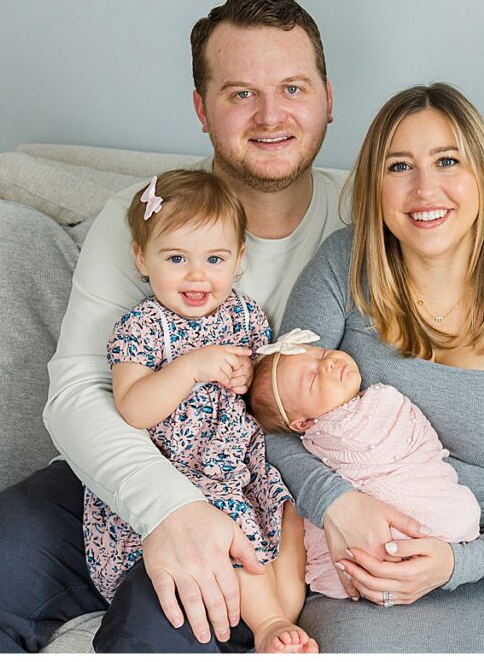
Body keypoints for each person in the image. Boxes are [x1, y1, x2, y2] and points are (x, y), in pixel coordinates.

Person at [0, 0, 484, 652]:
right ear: (202, 109)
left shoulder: (367, 223)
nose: (270, 115)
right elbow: (78, 392)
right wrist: (170, 509)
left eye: (292, 88)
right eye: (240, 93)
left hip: (254, 493)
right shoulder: (143, 219)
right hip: (122, 474)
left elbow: (481, 292)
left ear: (327, 102)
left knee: (165, 623)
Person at [265, 82, 484, 652]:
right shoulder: (342, 267)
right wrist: (337, 503)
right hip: (359, 569)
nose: (425, 189)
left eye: (448, 160)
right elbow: (270, 417)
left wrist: (459, 563)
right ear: (376, 185)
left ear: (481, 178)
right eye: (400, 166)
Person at [83, 168, 317, 652]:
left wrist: (247, 377)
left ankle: (287, 606)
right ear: (141, 259)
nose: (197, 275)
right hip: (184, 478)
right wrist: (190, 369)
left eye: (215, 258)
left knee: (290, 512)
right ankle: (269, 625)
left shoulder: (246, 315)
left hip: (242, 466)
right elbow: (133, 408)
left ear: (238, 259)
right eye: (176, 257)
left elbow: (254, 392)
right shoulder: (141, 327)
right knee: (228, 521)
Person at [246, 329, 481, 600]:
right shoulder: (328, 435)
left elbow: (420, 444)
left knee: (459, 513)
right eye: (312, 377)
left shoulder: (380, 401)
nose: (328, 363)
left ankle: (403, 553)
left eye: (321, 353)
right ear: (305, 424)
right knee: (457, 516)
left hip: (425, 494)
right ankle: (393, 553)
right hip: (362, 523)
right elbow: (269, 442)